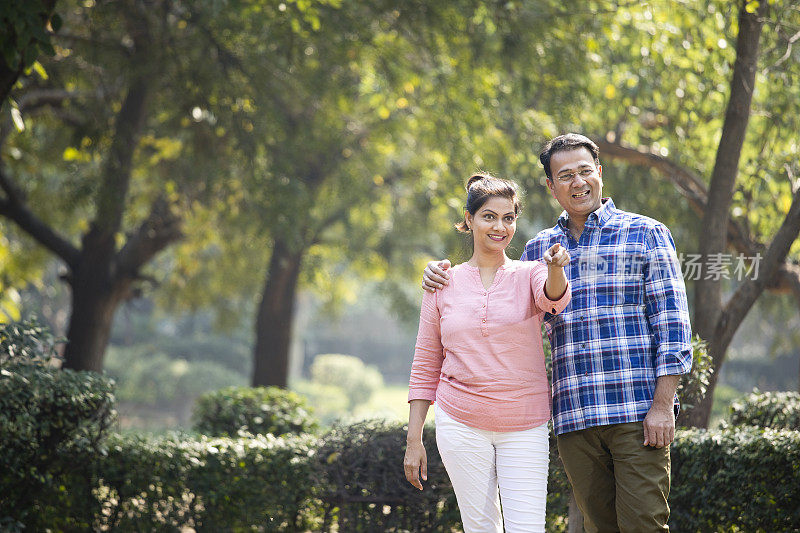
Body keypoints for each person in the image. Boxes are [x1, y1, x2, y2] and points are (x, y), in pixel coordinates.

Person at [422, 134, 693, 532]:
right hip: (574, 419)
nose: (578, 182)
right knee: (599, 527)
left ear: (599, 174)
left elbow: (673, 325)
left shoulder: (646, 234)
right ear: (551, 187)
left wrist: (662, 405)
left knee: (644, 524)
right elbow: (493, 313)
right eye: (565, 175)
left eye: (586, 171)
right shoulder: (538, 250)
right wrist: (436, 275)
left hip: (635, 413)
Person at [404, 173, 571, 533]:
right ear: (468, 219)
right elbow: (425, 363)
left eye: (509, 218)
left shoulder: (531, 273)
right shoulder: (442, 282)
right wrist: (413, 439)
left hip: (525, 424)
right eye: (489, 216)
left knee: (527, 528)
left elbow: (554, 299)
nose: (500, 226)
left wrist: (556, 268)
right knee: (480, 529)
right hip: (460, 422)